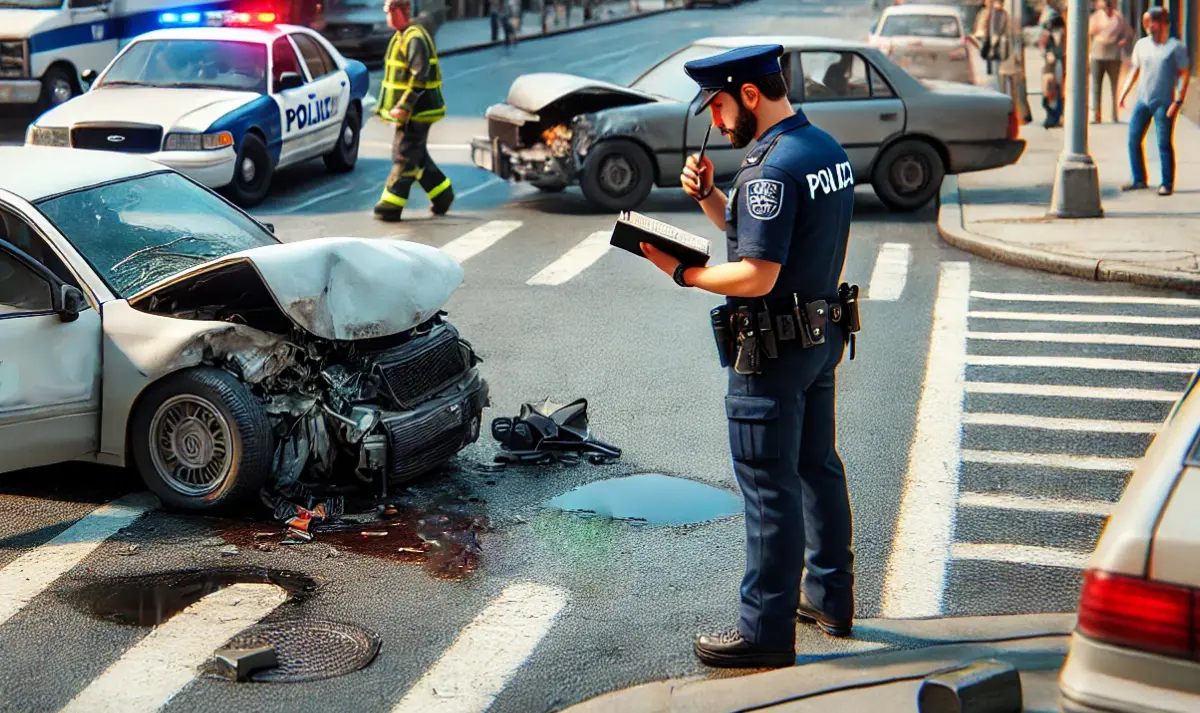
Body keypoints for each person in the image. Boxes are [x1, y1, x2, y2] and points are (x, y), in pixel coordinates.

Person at [638, 44, 859, 669]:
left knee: (767, 486)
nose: (714, 119)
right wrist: (712, 200)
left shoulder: (771, 169)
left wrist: (685, 273)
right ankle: (830, 598)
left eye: (719, 104)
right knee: (817, 466)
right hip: (820, 339)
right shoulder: (822, 150)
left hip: (774, 350)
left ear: (750, 95)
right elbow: (776, 236)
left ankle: (764, 633)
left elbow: (758, 275)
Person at [374, 0, 454, 222]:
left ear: (402, 11)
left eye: (388, 10)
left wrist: (404, 106)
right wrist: (385, 109)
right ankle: (442, 194)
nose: (386, 15)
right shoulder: (401, 36)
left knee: (404, 154)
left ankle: (390, 204)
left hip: (419, 111)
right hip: (411, 111)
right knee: (416, 155)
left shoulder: (414, 38)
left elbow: (420, 75)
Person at [1119, 5, 1190, 196]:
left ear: (1164, 24)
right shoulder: (1141, 45)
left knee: (1163, 143)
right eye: (1148, 22)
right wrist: (1124, 93)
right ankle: (1139, 178)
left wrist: (1178, 101)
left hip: (1164, 102)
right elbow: (1135, 70)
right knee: (1133, 139)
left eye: (1153, 22)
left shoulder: (1175, 47)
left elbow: (1184, 74)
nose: (1150, 26)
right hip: (1143, 99)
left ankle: (1167, 183)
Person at [1088, 0, 1133, 123]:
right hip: (1097, 54)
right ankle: (1096, 115)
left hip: (1113, 56)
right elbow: (1089, 33)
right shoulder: (1096, 17)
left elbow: (1129, 32)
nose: (1107, 6)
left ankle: (1114, 115)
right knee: (1096, 86)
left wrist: (1123, 40)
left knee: (1114, 87)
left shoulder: (1118, 18)